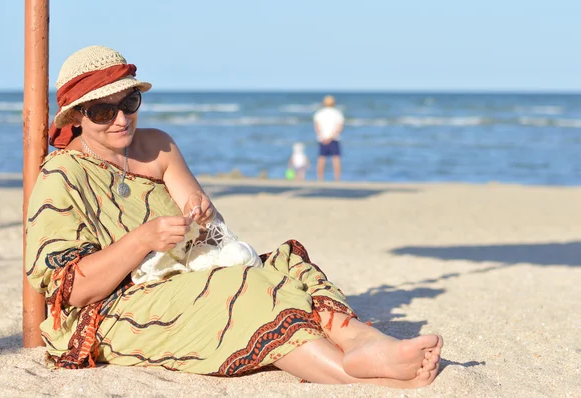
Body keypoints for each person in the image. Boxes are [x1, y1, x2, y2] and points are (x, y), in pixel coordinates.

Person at [25, 45, 442, 388]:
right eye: (102, 111)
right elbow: (71, 291)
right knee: (237, 288)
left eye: (130, 102)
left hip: (189, 273)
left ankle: (365, 342)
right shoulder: (62, 176)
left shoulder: (157, 145)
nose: (121, 118)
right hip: (118, 307)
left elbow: (213, 232)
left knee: (286, 265)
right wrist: (141, 240)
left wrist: (201, 214)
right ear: (77, 117)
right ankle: (355, 376)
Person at [313, 95, 344, 181]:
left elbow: (317, 127)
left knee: (321, 159)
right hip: (334, 138)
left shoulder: (319, 113)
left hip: (322, 138)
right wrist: (331, 137)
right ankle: (337, 179)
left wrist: (322, 136)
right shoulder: (337, 113)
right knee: (336, 159)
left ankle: (320, 178)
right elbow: (339, 127)